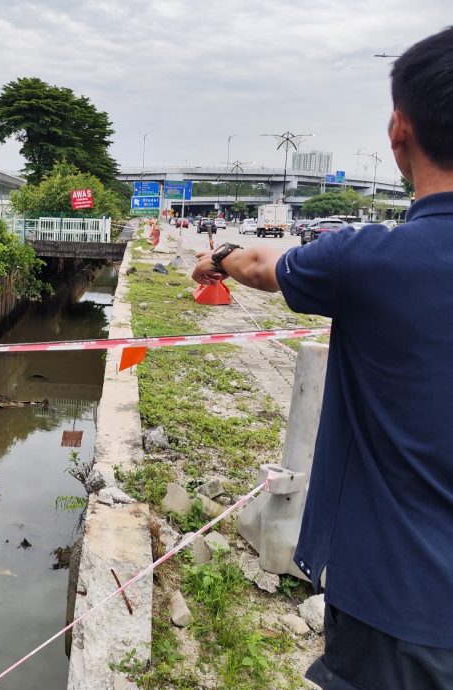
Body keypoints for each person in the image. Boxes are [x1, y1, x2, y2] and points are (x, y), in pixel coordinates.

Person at [192, 27, 453, 690]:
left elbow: (258, 264)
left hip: (402, 608)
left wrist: (215, 257)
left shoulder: (370, 260)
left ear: (399, 131)